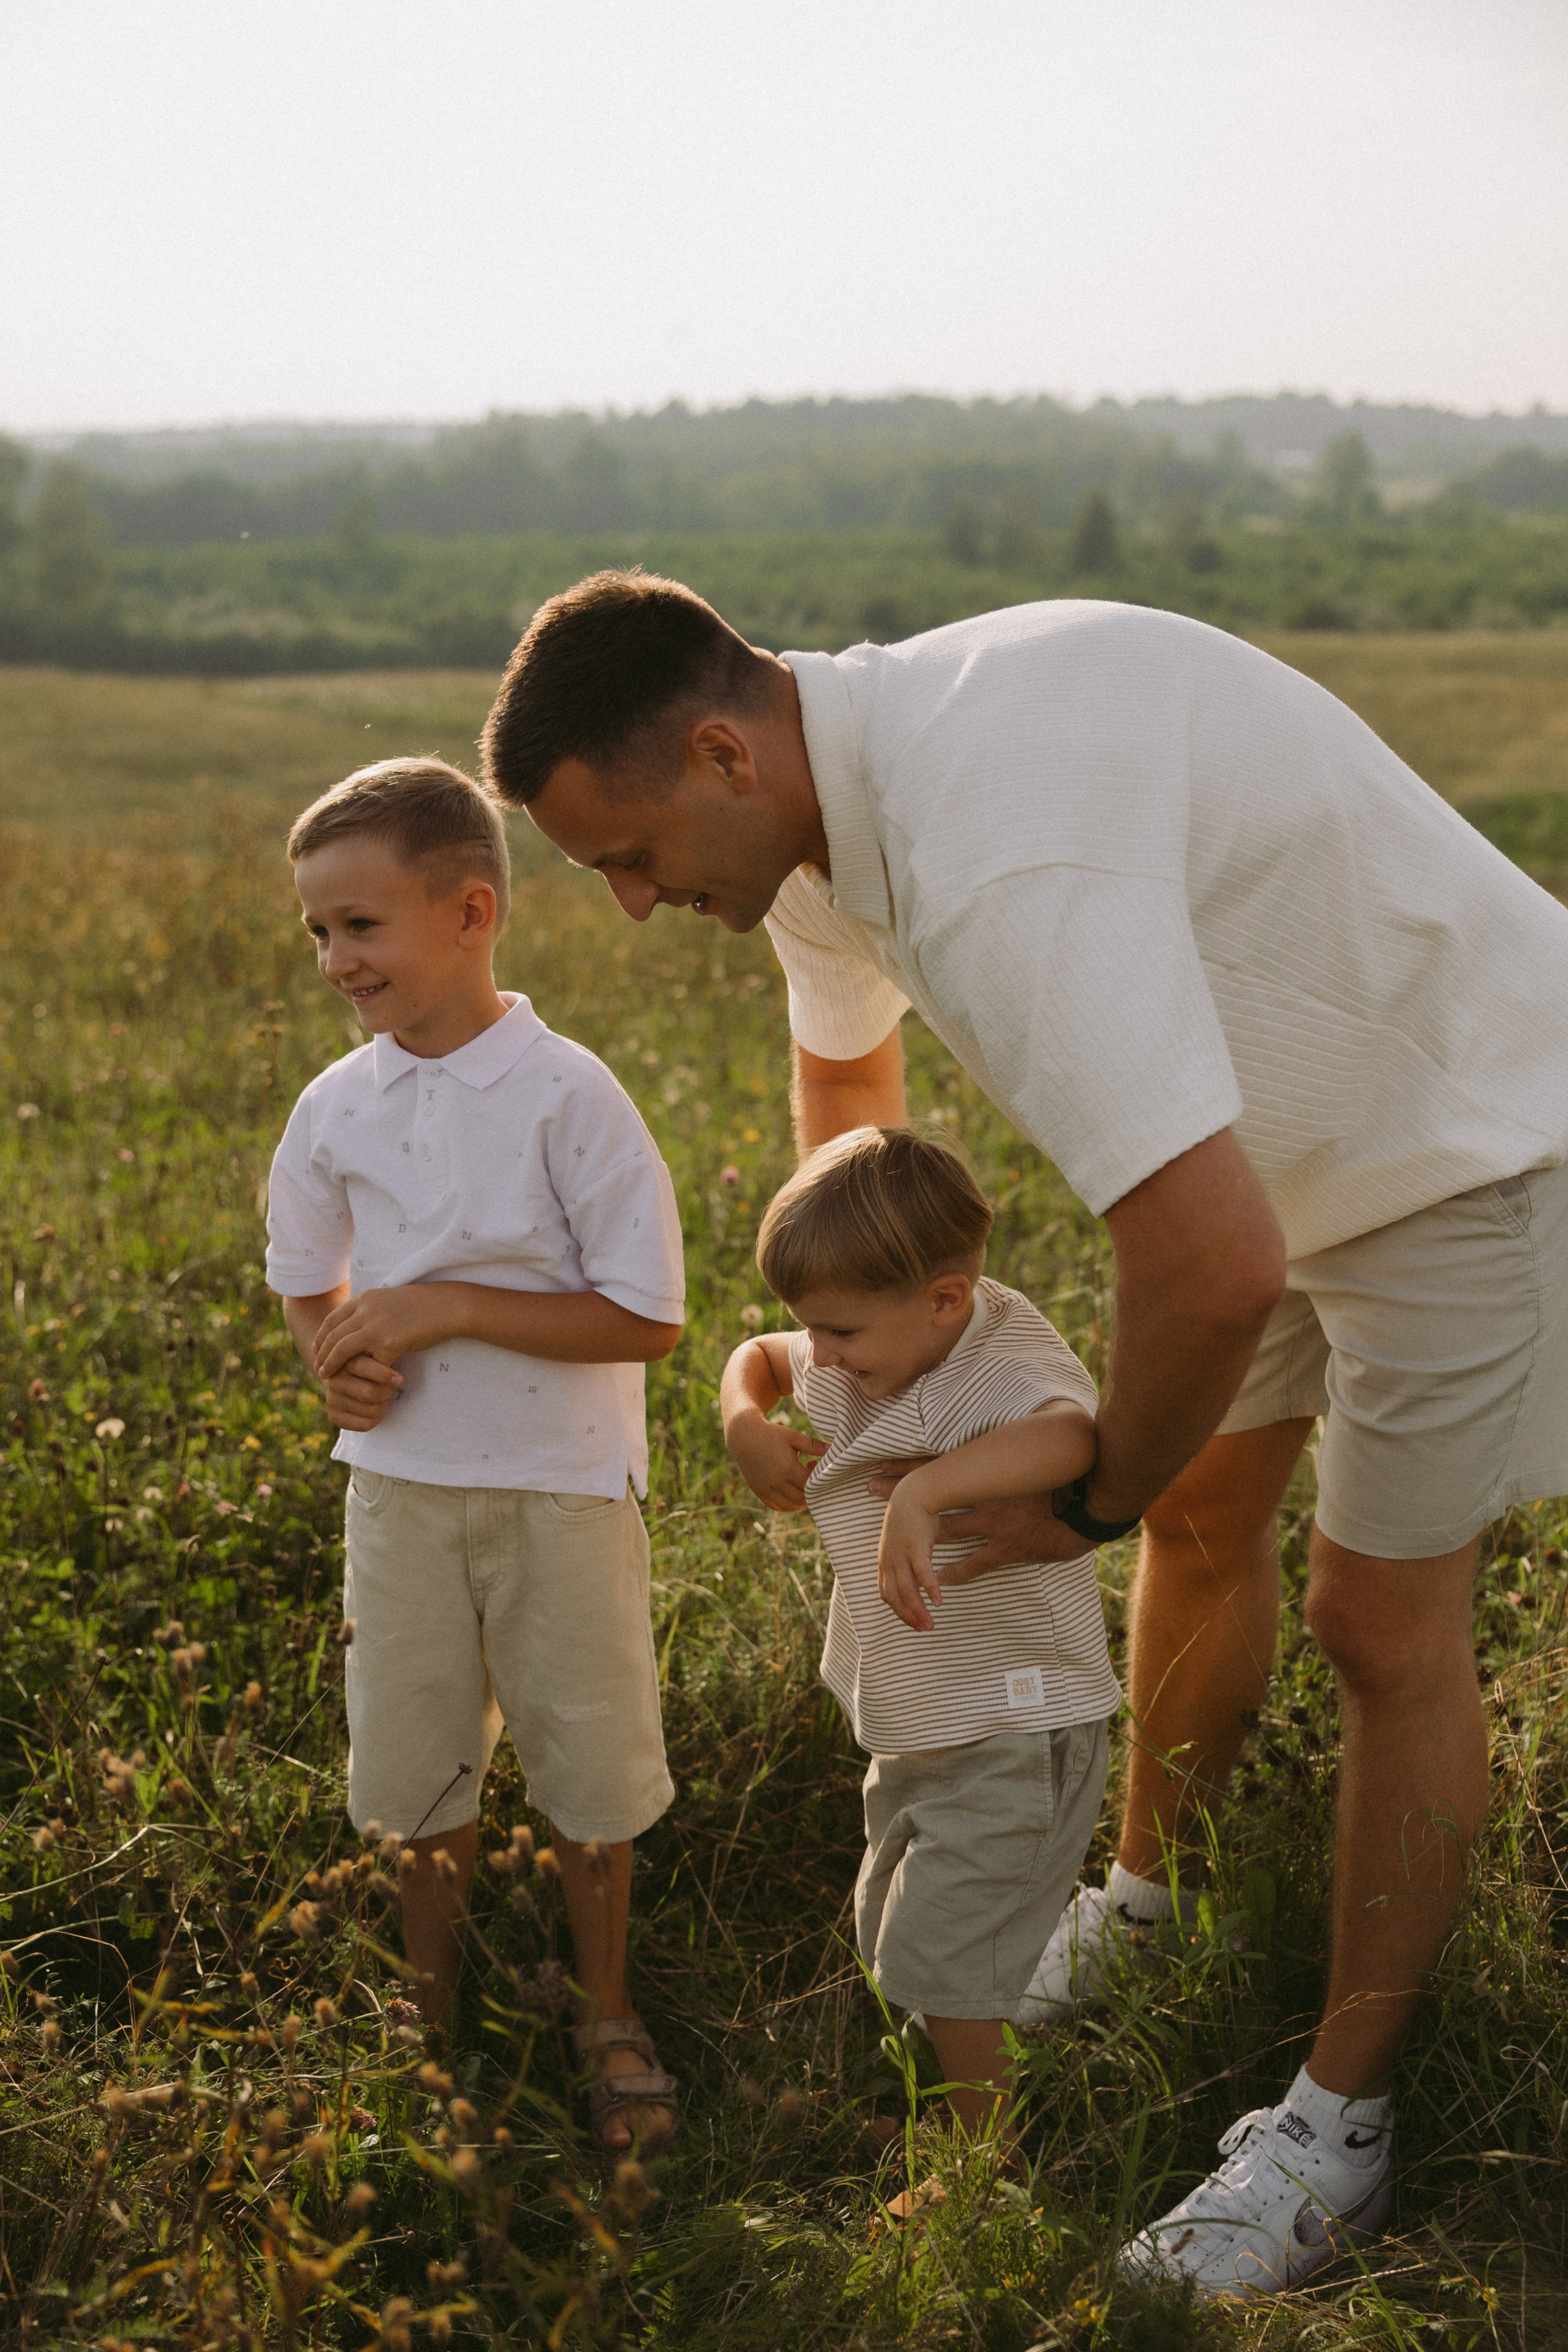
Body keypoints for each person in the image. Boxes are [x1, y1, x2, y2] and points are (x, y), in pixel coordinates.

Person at [480, 571, 1568, 2297]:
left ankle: (1339, 2132)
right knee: (1206, 1512)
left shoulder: (989, 852)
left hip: (1470, 1132)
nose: (626, 904)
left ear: (719, 753)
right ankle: (1150, 1903)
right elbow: (851, 1115)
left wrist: (1086, 1499)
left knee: (1378, 1622)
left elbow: (1207, 1266)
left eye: (627, 854)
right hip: (1271, 1146)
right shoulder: (811, 815)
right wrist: (834, 1390)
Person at [264, 755, 686, 2153]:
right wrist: (335, 1362)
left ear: (470, 913)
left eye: (361, 924)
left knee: (588, 1761)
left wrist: (443, 1303)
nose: (335, 958)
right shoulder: (336, 1106)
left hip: (563, 1492)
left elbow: (647, 1316)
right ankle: (425, 2009)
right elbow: (305, 1277)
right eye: (318, 930)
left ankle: (607, 2011)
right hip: (400, 1494)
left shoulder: (568, 1095)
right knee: (417, 1763)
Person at [722, 1126, 1118, 2142]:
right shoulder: (864, 1346)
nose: (820, 1354)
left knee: (947, 1954)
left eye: (840, 1332)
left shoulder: (1000, 1359)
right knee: (899, 1933)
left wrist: (928, 1490)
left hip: (1018, 1723)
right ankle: (955, 2106)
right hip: (924, 1716)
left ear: (944, 1300)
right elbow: (759, 1358)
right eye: (814, 1330)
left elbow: (1073, 1435)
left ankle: (984, 2168)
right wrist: (743, 1420)